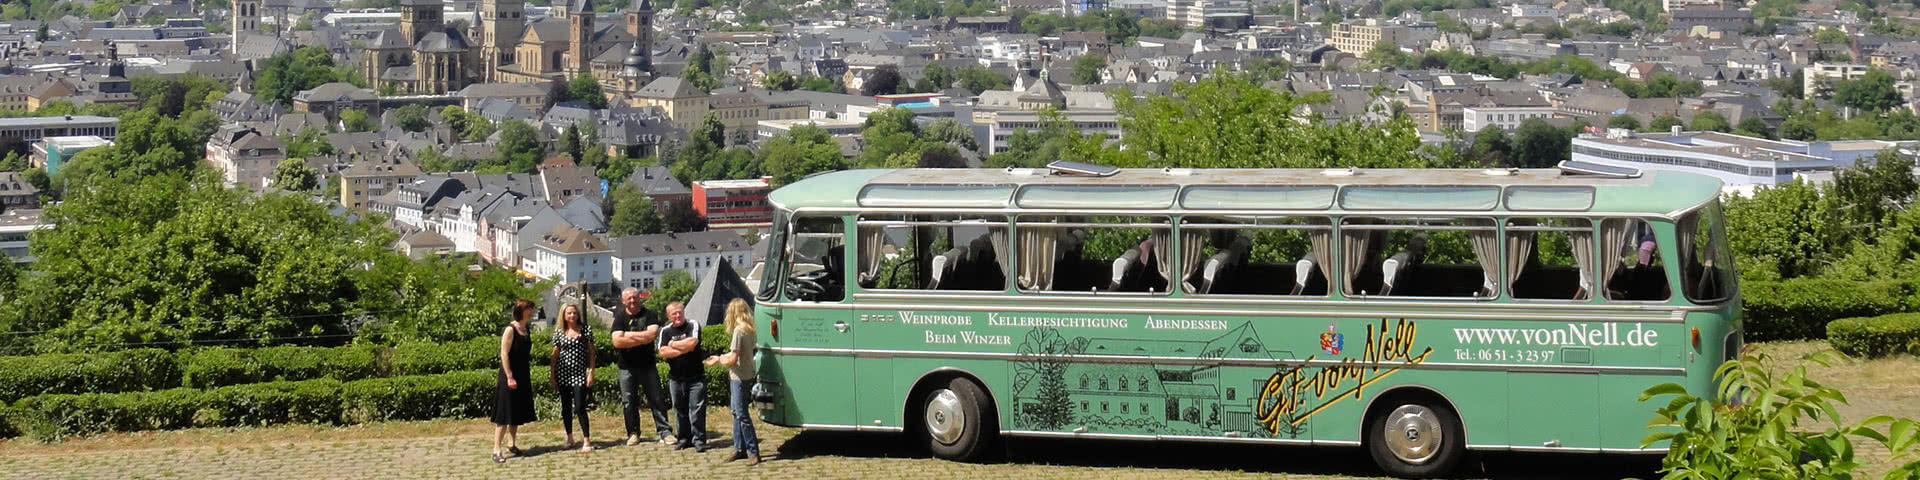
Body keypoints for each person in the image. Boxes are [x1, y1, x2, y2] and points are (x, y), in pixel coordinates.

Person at [608, 288, 670, 446]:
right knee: (629, 402)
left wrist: (627, 335)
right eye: (629, 298)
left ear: (639, 298)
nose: (632, 301)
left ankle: (664, 432)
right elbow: (616, 342)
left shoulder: (649, 314)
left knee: (656, 399)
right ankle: (633, 433)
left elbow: (652, 336)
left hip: (648, 365)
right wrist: (641, 336)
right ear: (623, 301)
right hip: (626, 367)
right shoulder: (620, 317)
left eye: (635, 298)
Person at [704, 299, 760, 465]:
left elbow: (733, 359)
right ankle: (739, 448)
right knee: (736, 412)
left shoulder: (738, 331)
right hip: (747, 373)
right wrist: (721, 356)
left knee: (742, 414)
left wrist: (718, 361)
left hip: (738, 377)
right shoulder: (750, 329)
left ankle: (752, 451)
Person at [656, 301, 708, 452]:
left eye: (679, 312)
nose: (677, 315)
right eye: (674, 313)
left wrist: (673, 344)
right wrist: (683, 348)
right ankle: (684, 439)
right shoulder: (665, 331)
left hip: (696, 377)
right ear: (668, 316)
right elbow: (662, 352)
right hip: (676, 378)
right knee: (679, 410)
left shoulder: (693, 325)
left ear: (683, 312)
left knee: (697, 410)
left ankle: (699, 440)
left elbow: (692, 342)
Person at [491, 299, 537, 463]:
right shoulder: (510, 329)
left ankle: (512, 443)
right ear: (520, 311)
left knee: (516, 412)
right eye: (528, 309)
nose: (531, 312)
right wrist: (509, 376)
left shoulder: (526, 329)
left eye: (531, 309)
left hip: (523, 374)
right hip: (509, 375)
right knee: (504, 413)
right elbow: (504, 353)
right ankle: (497, 449)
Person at [550, 304, 597, 453]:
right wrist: (552, 376)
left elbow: (591, 353)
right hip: (563, 374)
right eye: (569, 313)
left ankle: (586, 439)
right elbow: (555, 355)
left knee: (579, 407)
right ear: (564, 315)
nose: (572, 316)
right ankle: (569, 438)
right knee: (566, 408)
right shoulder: (559, 333)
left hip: (579, 374)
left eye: (574, 313)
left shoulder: (585, 330)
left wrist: (591, 372)